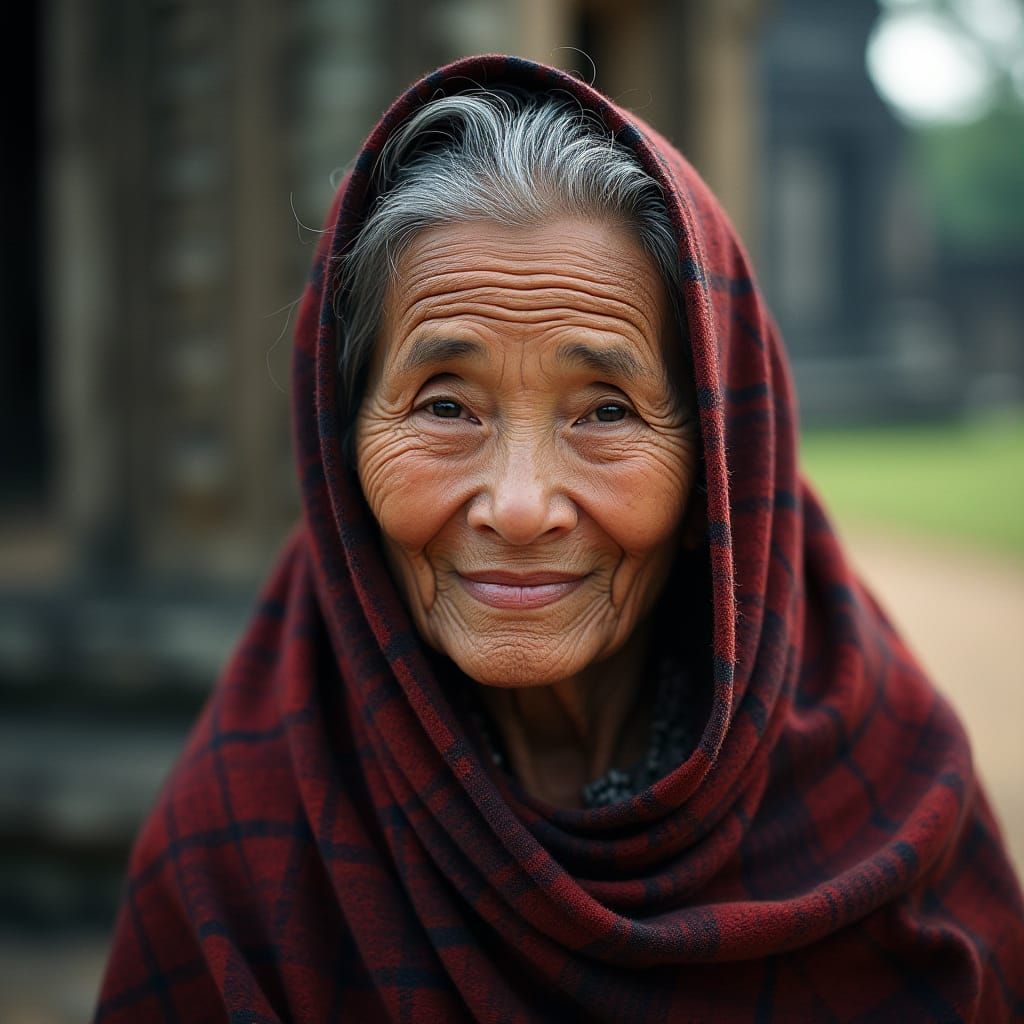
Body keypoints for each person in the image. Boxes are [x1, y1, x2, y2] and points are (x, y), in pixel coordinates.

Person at [94, 55, 1024, 1022]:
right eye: (445, 406)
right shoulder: (245, 845)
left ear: (716, 466)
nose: (520, 506)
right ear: (343, 445)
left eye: (607, 411)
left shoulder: (886, 797)